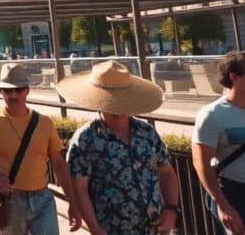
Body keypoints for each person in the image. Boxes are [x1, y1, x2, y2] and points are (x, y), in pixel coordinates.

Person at [58, 60, 180, 235]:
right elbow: (80, 189)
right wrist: (94, 228)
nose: (118, 109)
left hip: (154, 228)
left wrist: (171, 209)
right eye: (111, 103)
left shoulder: (147, 132)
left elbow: (166, 172)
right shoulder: (85, 139)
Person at [0, 63, 81, 235]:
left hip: (43, 199)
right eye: (8, 90)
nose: (13, 95)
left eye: (18, 90)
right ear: (0, 91)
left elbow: (59, 165)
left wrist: (73, 202)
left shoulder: (45, 123)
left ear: (27, 91)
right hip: (10, 200)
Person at [193, 51, 245, 235]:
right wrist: (223, 206)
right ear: (234, 77)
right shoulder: (212, 115)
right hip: (236, 194)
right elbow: (201, 163)